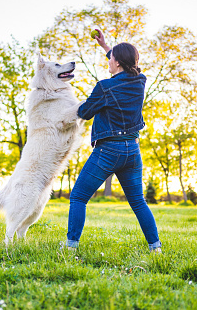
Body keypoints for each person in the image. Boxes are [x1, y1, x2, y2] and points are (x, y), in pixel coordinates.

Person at [65, 29, 162, 252]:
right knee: (138, 202)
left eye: (111, 59)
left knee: (78, 197)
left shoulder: (104, 88)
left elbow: (85, 112)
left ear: (117, 62)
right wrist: (106, 47)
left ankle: (70, 247)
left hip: (108, 151)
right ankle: (155, 247)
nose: (109, 62)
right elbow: (128, 67)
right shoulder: (140, 82)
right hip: (132, 152)